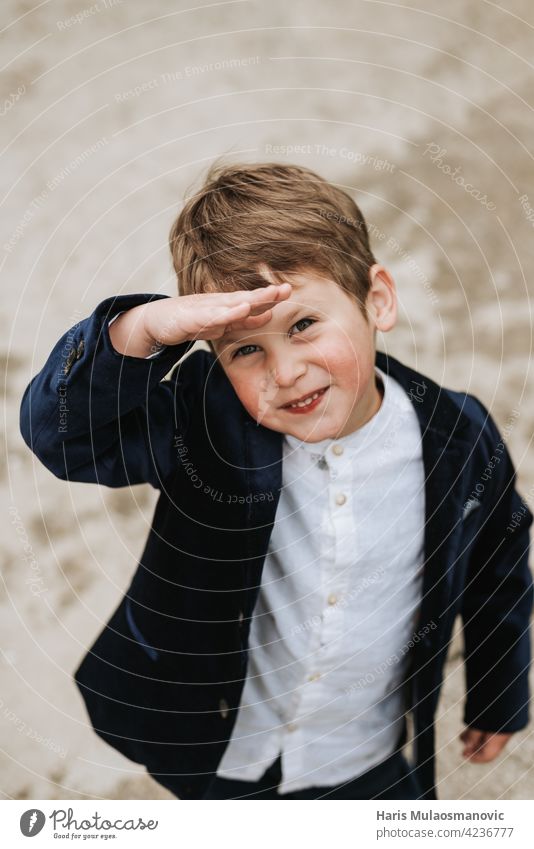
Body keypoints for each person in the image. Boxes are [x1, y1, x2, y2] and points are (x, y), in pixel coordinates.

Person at [19, 161, 533, 800]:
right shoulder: (205, 418)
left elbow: (499, 565)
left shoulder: (459, 434)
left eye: (303, 325)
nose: (285, 371)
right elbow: (63, 438)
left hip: (365, 755)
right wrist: (140, 331)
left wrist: (498, 694)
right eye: (245, 349)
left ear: (378, 299)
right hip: (223, 756)